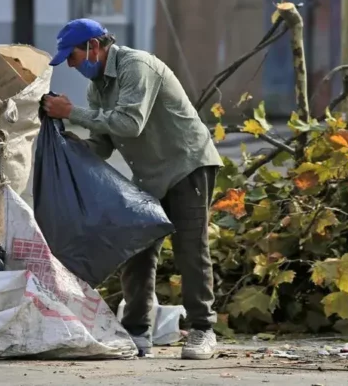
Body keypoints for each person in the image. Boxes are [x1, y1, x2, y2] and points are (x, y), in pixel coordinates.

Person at [42, 18, 223, 360]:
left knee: (190, 249)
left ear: (94, 47)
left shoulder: (135, 66)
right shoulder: (98, 87)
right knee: (136, 247)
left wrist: (72, 112)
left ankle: (203, 329)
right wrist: (66, 148)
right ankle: (138, 333)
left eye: (74, 56)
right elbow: (102, 143)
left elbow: (130, 124)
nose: (71, 64)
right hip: (150, 175)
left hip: (188, 165)